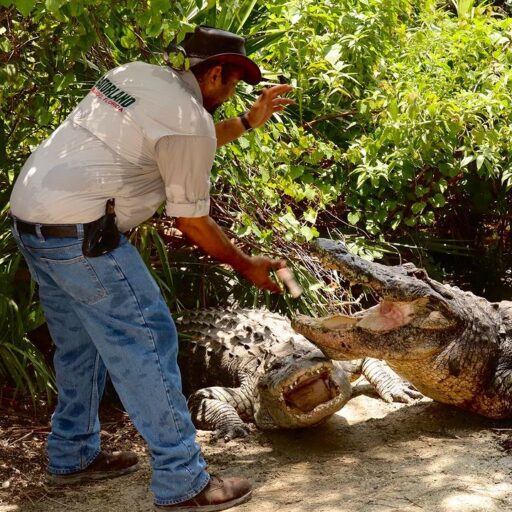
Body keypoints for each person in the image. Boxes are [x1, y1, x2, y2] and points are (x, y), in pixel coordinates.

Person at [9, 26, 294, 511]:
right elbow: (191, 220)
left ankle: (73, 454)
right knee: (148, 342)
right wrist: (246, 265)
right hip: (84, 236)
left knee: (80, 344)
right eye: (231, 84)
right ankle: (183, 481)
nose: (229, 96)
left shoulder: (134, 75)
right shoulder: (188, 119)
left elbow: (181, 145)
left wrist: (248, 121)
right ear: (216, 72)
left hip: (32, 219)